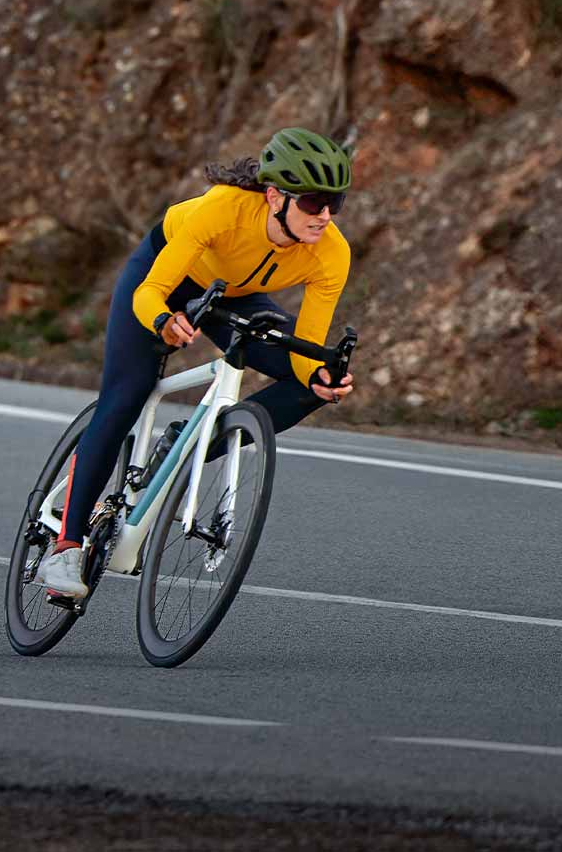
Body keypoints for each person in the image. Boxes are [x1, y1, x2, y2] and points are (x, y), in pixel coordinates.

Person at [36, 128, 359, 599]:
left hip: (237, 296)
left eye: (336, 203)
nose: (325, 216)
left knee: (314, 380)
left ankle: (185, 448)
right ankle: (65, 547)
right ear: (275, 197)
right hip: (164, 280)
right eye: (313, 202)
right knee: (127, 395)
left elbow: (305, 345)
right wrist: (165, 321)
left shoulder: (332, 252)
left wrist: (321, 374)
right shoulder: (221, 209)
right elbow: (151, 292)